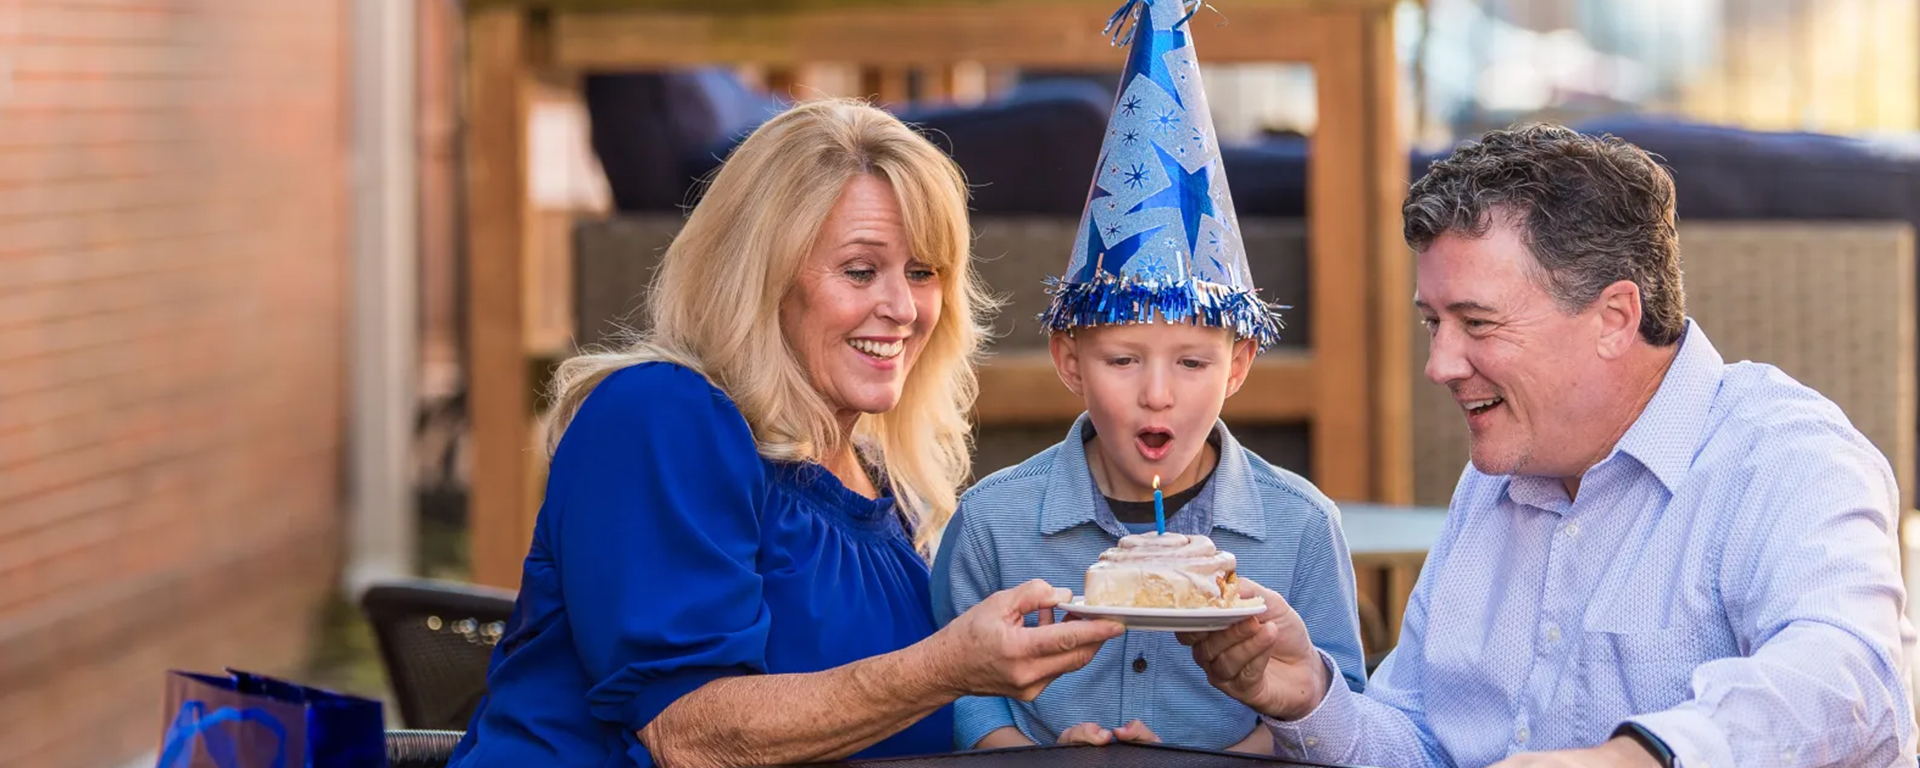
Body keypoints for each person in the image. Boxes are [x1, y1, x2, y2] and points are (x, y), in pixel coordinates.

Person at [1185, 123, 1918, 768]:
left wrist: (1631, 759)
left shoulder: (1788, 457)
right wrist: (1307, 694)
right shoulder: (1499, 476)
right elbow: (1423, 742)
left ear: (1614, 317)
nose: (1440, 365)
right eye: (1432, 324)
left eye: (1477, 323)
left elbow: (1850, 675)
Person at [445, 99, 1123, 768]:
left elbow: (892, 722)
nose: (902, 308)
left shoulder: (891, 485)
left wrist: (1036, 748)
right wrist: (946, 668)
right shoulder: (659, 416)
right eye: (861, 270)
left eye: (922, 273)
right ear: (760, 279)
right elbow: (689, 734)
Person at [930, 0, 1366, 754]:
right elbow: (957, 694)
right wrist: (1026, 755)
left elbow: (1339, 706)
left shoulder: (1301, 529)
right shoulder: (990, 526)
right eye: (1123, 360)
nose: (1157, 393)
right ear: (1069, 360)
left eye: (1193, 363)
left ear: (1239, 364)